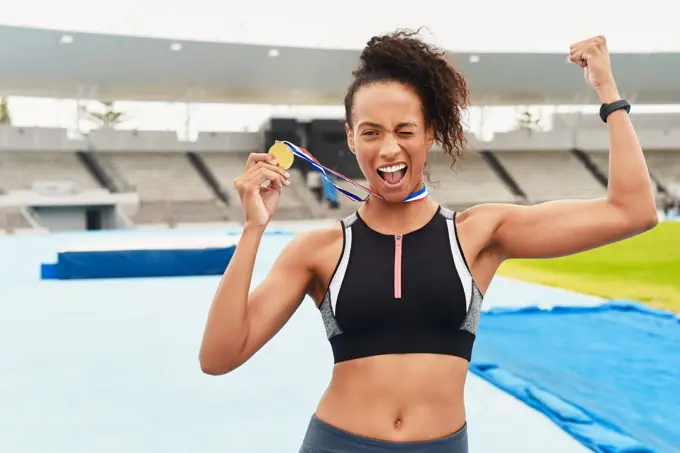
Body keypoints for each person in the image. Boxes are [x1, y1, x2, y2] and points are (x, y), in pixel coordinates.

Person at [199, 30, 658, 452]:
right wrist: (253, 228)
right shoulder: (318, 250)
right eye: (371, 132)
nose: (389, 149)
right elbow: (219, 356)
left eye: (405, 131)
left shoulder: (479, 235)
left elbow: (632, 212)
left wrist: (608, 93)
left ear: (430, 134)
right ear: (351, 139)